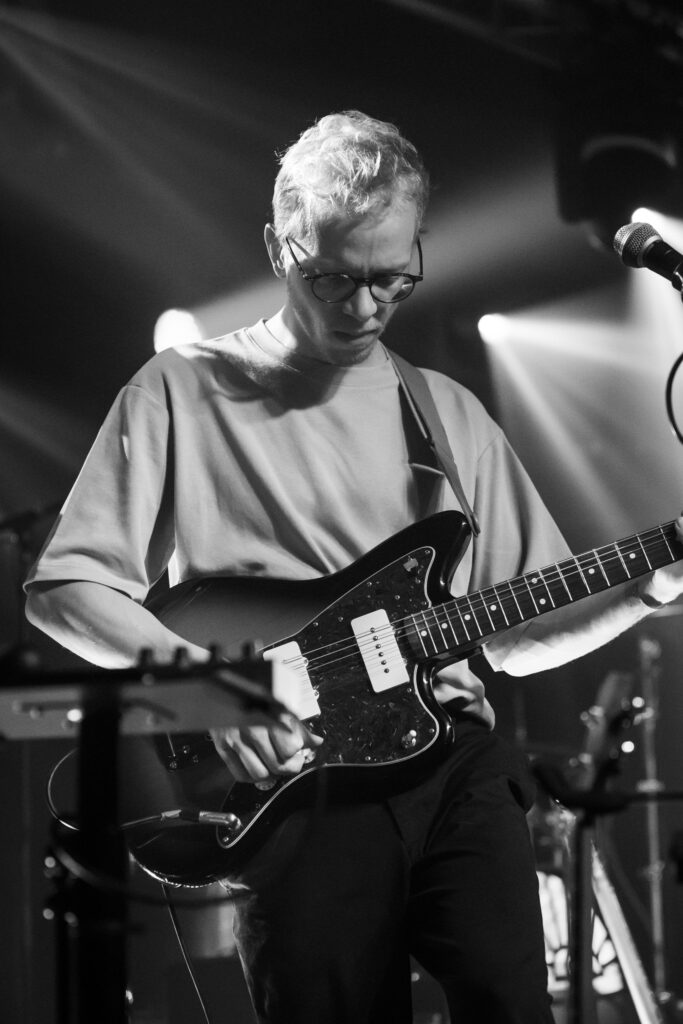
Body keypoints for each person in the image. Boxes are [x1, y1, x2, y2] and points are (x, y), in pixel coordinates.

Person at [25, 110, 683, 1024]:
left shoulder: (443, 411)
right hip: (300, 786)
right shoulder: (179, 388)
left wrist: (650, 588)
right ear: (276, 243)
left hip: (452, 764)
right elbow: (67, 592)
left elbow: (517, 635)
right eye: (332, 277)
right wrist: (209, 692)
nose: (365, 307)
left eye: (392, 280)